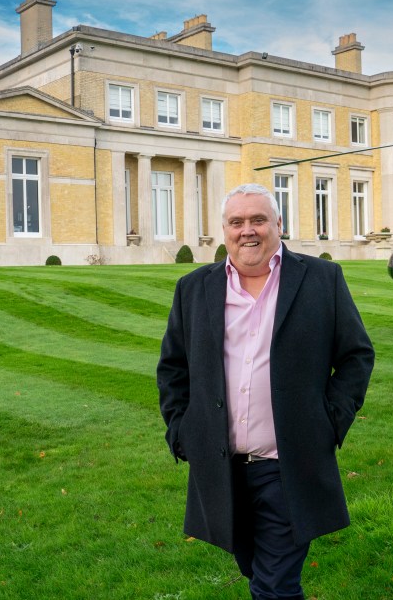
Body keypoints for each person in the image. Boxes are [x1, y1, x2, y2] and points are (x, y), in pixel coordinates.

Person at [157, 183, 374, 599]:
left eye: (258, 219)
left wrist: (329, 422)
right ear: (225, 231)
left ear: (278, 223)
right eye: (236, 222)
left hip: (288, 465)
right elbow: (173, 368)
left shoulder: (320, 279)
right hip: (222, 469)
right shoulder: (194, 288)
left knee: (274, 585)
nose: (247, 230)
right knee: (256, 569)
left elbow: (356, 356)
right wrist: (182, 431)